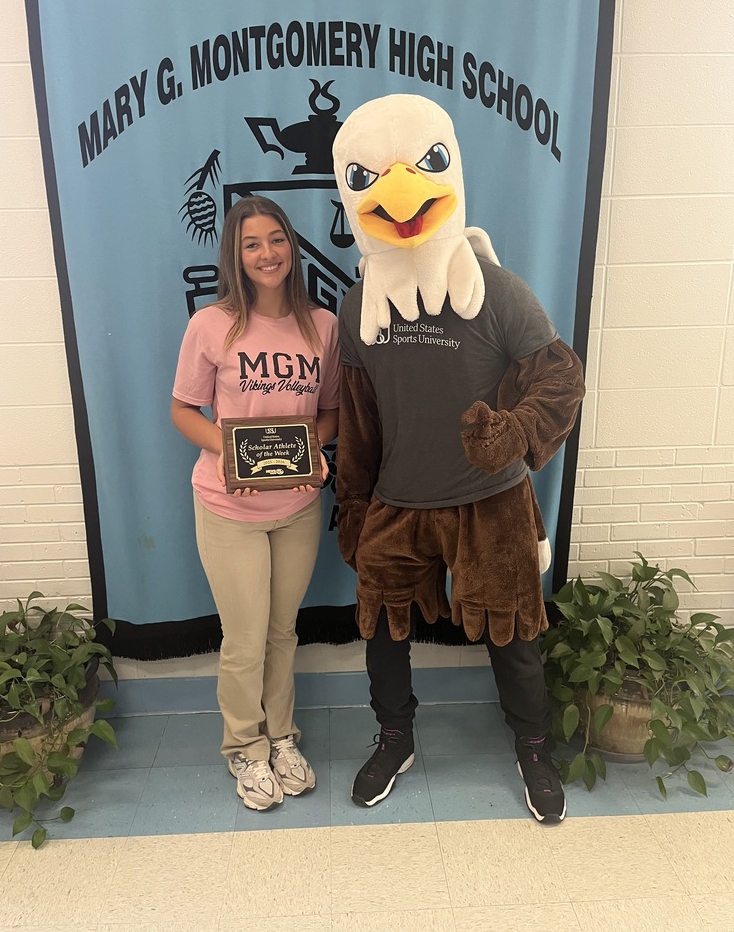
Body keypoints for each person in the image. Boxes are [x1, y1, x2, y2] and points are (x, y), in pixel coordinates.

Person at [332, 94, 585, 823]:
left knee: (516, 632)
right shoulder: (357, 306)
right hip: (398, 501)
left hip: (492, 498)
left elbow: (560, 379)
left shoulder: (497, 290)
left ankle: (533, 747)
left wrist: (515, 430)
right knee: (381, 628)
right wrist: (354, 505)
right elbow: (358, 416)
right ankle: (395, 736)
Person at [171, 195, 340, 811]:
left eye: (275, 240)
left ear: (291, 248)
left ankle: (281, 736)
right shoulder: (211, 325)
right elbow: (182, 410)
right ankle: (245, 746)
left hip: (296, 508)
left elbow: (329, 413)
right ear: (235, 257)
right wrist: (232, 456)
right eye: (251, 244)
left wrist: (313, 450)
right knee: (244, 639)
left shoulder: (322, 326)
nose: (266, 253)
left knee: (282, 631)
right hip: (228, 508)